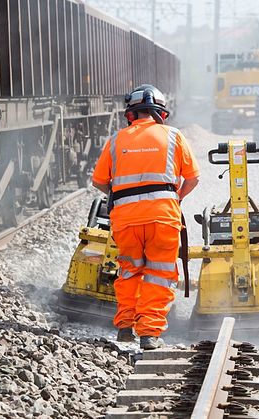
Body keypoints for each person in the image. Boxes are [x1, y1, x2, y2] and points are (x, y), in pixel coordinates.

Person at [91, 84, 200, 350]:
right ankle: (149, 334)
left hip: (125, 219)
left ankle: (125, 326)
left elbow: (99, 182)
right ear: (161, 113)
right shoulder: (174, 136)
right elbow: (193, 178)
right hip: (163, 217)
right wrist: (175, 197)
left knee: (129, 270)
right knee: (159, 273)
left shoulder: (116, 140)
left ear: (131, 114)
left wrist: (121, 195)